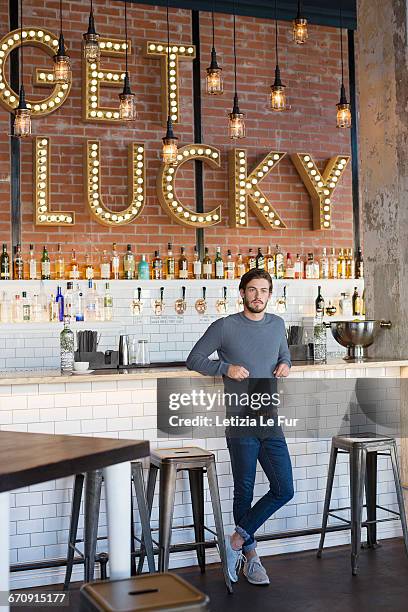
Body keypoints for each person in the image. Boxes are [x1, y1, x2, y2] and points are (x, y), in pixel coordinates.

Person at [186, 268, 294, 586]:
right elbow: (193, 359)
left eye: (263, 290)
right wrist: (225, 367)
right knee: (244, 490)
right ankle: (252, 557)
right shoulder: (224, 327)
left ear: (270, 295)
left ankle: (235, 541)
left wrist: (286, 363)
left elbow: (284, 353)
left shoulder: (277, 324)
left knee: (284, 488)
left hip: (270, 420)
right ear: (242, 293)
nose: (258, 295)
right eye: (252, 290)